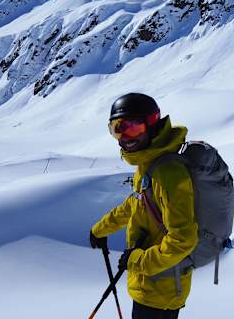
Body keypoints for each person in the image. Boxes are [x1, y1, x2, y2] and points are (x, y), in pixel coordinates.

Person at [90, 93, 198, 319]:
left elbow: (183, 239)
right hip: (150, 285)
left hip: (162, 291)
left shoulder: (168, 173)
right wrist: (101, 229)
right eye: (117, 129)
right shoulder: (149, 163)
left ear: (152, 125)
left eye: (134, 127)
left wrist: (137, 261)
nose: (125, 137)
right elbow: (136, 204)